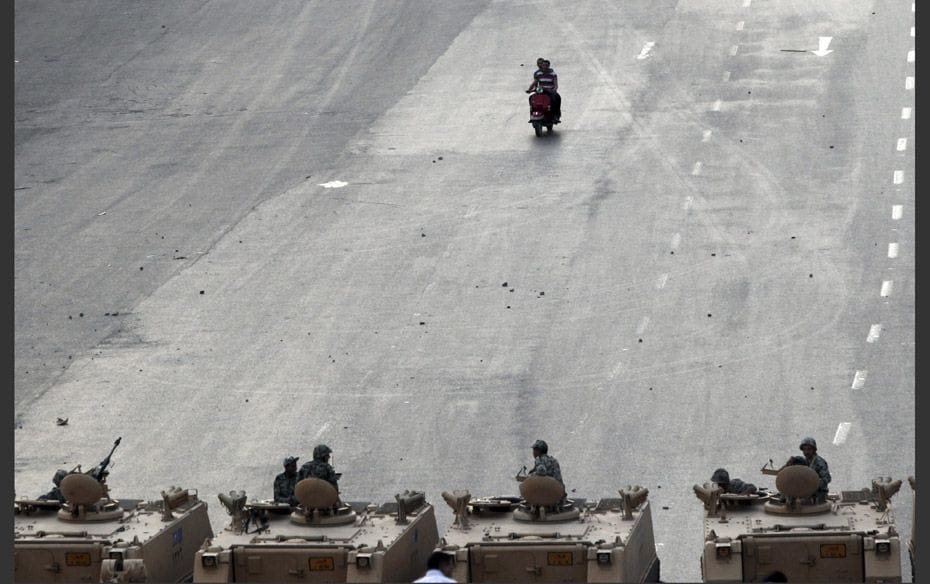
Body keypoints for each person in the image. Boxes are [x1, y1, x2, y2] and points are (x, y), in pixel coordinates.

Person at [797, 436, 831, 503]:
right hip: (807, 491)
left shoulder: (819, 462)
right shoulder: (805, 461)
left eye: (809, 449)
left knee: (800, 503)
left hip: (819, 493)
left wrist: (814, 484)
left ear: (814, 450)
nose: (806, 452)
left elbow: (827, 479)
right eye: (804, 449)